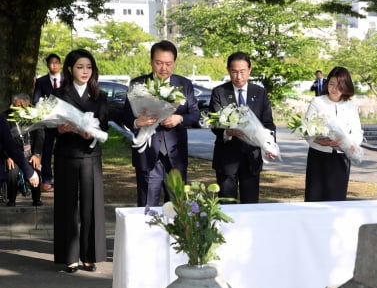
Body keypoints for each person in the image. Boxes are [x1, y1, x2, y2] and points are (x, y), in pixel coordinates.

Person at [122, 40, 200, 207]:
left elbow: (195, 114)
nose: (164, 68)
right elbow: (126, 116)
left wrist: (179, 119)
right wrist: (138, 121)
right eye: (159, 63)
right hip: (147, 151)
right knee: (147, 207)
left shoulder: (184, 84)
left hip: (175, 153)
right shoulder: (138, 84)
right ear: (151, 62)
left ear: (174, 63)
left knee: (178, 206)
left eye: (168, 63)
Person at [52, 49, 108, 273]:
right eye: (79, 67)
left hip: (89, 155)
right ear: (69, 69)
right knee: (67, 206)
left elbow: (103, 126)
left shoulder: (99, 95)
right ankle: (70, 257)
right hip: (66, 155)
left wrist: (92, 133)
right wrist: (59, 129)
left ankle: (89, 255)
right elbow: (49, 129)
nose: (85, 72)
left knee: (91, 206)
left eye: (89, 67)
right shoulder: (59, 95)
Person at [210, 51, 276, 203]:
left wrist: (270, 145)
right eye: (234, 72)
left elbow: (268, 123)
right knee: (226, 204)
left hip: (251, 157)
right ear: (228, 70)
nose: (238, 77)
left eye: (242, 72)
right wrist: (227, 131)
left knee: (251, 203)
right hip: (226, 157)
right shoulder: (219, 92)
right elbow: (214, 123)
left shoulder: (259, 92)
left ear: (250, 70)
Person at [304, 66, 363, 202]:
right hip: (318, 156)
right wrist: (320, 141)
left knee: (337, 198)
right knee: (314, 197)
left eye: (339, 85)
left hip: (341, 158)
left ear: (346, 86)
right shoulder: (317, 102)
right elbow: (307, 130)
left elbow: (357, 131)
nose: (334, 89)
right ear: (326, 84)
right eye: (331, 84)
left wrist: (352, 144)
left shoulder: (350, 105)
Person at [2, 93, 44, 206]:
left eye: (23, 105)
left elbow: (40, 136)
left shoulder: (34, 116)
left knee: (35, 169)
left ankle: (36, 199)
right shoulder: (5, 117)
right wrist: (7, 156)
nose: (19, 108)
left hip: (30, 152)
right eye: (17, 105)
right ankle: (11, 200)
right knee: (12, 172)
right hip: (13, 154)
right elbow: (3, 140)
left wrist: (36, 154)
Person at [33, 53, 63, 192]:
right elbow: (36, 101)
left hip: (64, 124)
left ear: (60, 64)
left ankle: (63, 178)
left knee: (63, 152)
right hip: (47, 124)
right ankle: (46, 180)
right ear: (47, 65)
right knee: (47, 151)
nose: (54, 65)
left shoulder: (67, 80)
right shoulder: (42, 81)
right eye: (51, 63)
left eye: (56, 62)